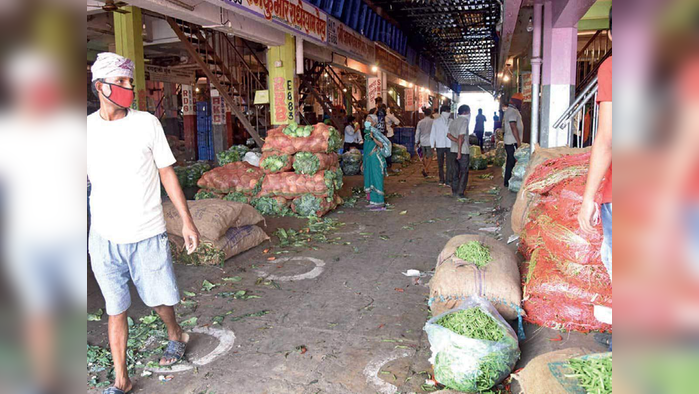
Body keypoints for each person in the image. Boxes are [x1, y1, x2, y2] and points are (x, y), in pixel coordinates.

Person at [87, 53, 201, 394]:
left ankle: (174, 332)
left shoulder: (146, 124)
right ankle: (121, 381)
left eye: (129, 82)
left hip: (146, 232)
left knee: (158, 300)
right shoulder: (84, 129)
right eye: (120, 82)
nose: (128, 89)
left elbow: (167, 172)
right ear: (100, 86)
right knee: (115, 308)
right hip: (104, 237)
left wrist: (187, 221)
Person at [363, 113, 392, 211]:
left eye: (370, 121)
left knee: (376, 179)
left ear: (374, 123)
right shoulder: (367, 132)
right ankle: (373, 202)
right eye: (367, 120)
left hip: (376, 158)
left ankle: (380, 203)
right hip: (369, 159)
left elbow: (382, 144)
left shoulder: (374, 132)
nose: (368, 122)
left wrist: (373, 138)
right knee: (371, 179)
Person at [446, 105, 471, 197]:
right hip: (463, 151)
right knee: (464, 172)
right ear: (465, 112)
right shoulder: (464, 121)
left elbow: (448, 135)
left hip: (452, 150)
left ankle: (454, 190)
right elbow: (461, 136)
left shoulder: (453, 121)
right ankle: (460, 192)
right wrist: (459, 152)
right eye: (469, 112)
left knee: (455, 172)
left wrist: (455, 141)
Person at [503, 93, 524, 188]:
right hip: (512, 142)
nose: (522, 104)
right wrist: (518, 141)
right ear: (517, 102)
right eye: (521, 102)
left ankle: (507, 181)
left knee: (510, 162)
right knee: (512, 162)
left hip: (510, 141)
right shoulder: (512, 111)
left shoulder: (511, 110)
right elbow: (513, 126)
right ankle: (509, 182)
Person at [430, 104, 452, 186]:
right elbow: (433, 134)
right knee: (440, 164)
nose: (448, 113)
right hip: (440, 145)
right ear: (442, 112)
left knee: (449, 163)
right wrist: (432, 145)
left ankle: (448, 180)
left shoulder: (451, 121)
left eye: (449, 111)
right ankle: (441, 179)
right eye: (447, 111)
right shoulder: (436, 122)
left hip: (449, 145)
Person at [415, 108, 435, 177]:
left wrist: (416, 142)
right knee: (430, 156)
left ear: (424, 114)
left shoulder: (420, 122)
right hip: (430, 141)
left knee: (422, 156)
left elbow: (417, 133)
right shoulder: (433, 122)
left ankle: (425, 168)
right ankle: (426, 168)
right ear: (430, 114)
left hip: (422, 141)